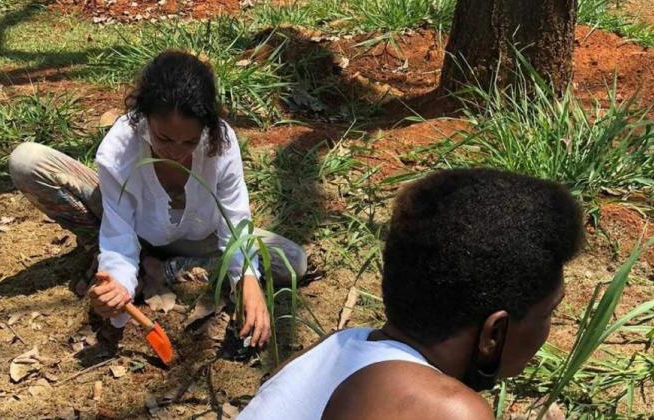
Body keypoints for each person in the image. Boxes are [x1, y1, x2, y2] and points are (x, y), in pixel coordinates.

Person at [8, 50, 307, 349]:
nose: (176, 151)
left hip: (197, 236)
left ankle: (161, 268)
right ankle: (130, 261)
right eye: (163, 138)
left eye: (189, 141)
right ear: (144, 118)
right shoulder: (121, 147)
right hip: (131, 225)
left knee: (291, 261)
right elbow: (118, 232)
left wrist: (247, 279)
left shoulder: (221, 144)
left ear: (206, 127)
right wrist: (119, 289)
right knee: (27, 161)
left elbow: (235, 219)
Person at [238, 168, 584, 419]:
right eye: (549, 313)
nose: (548, 331)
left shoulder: (335, 348)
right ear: (493, 334)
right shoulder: (449, 412)